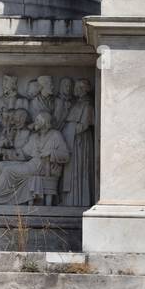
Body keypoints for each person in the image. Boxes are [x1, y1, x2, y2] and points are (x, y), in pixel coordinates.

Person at [0, 111, 69, 206]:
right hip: (32, 164)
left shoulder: (55, 135)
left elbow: (65, 155)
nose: (35, 122)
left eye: (37, 120)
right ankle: (6, 197)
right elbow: (23, 153)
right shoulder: (35, 137)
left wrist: (51, 153)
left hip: (42, 167)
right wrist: (4, 153)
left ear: (44, 122)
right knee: (2, 165)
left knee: (8, 170)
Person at [61, 79, 94, 208]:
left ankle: (78, 200)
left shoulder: (87, 104)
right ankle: (70, 200)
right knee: (71, 170)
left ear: (82, 89)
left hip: (79, 142)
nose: (74, 89)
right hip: (72, 141)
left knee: (78, 170)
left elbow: (83, 125)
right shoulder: (77, 103)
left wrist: (69, 129)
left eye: (76, 87)